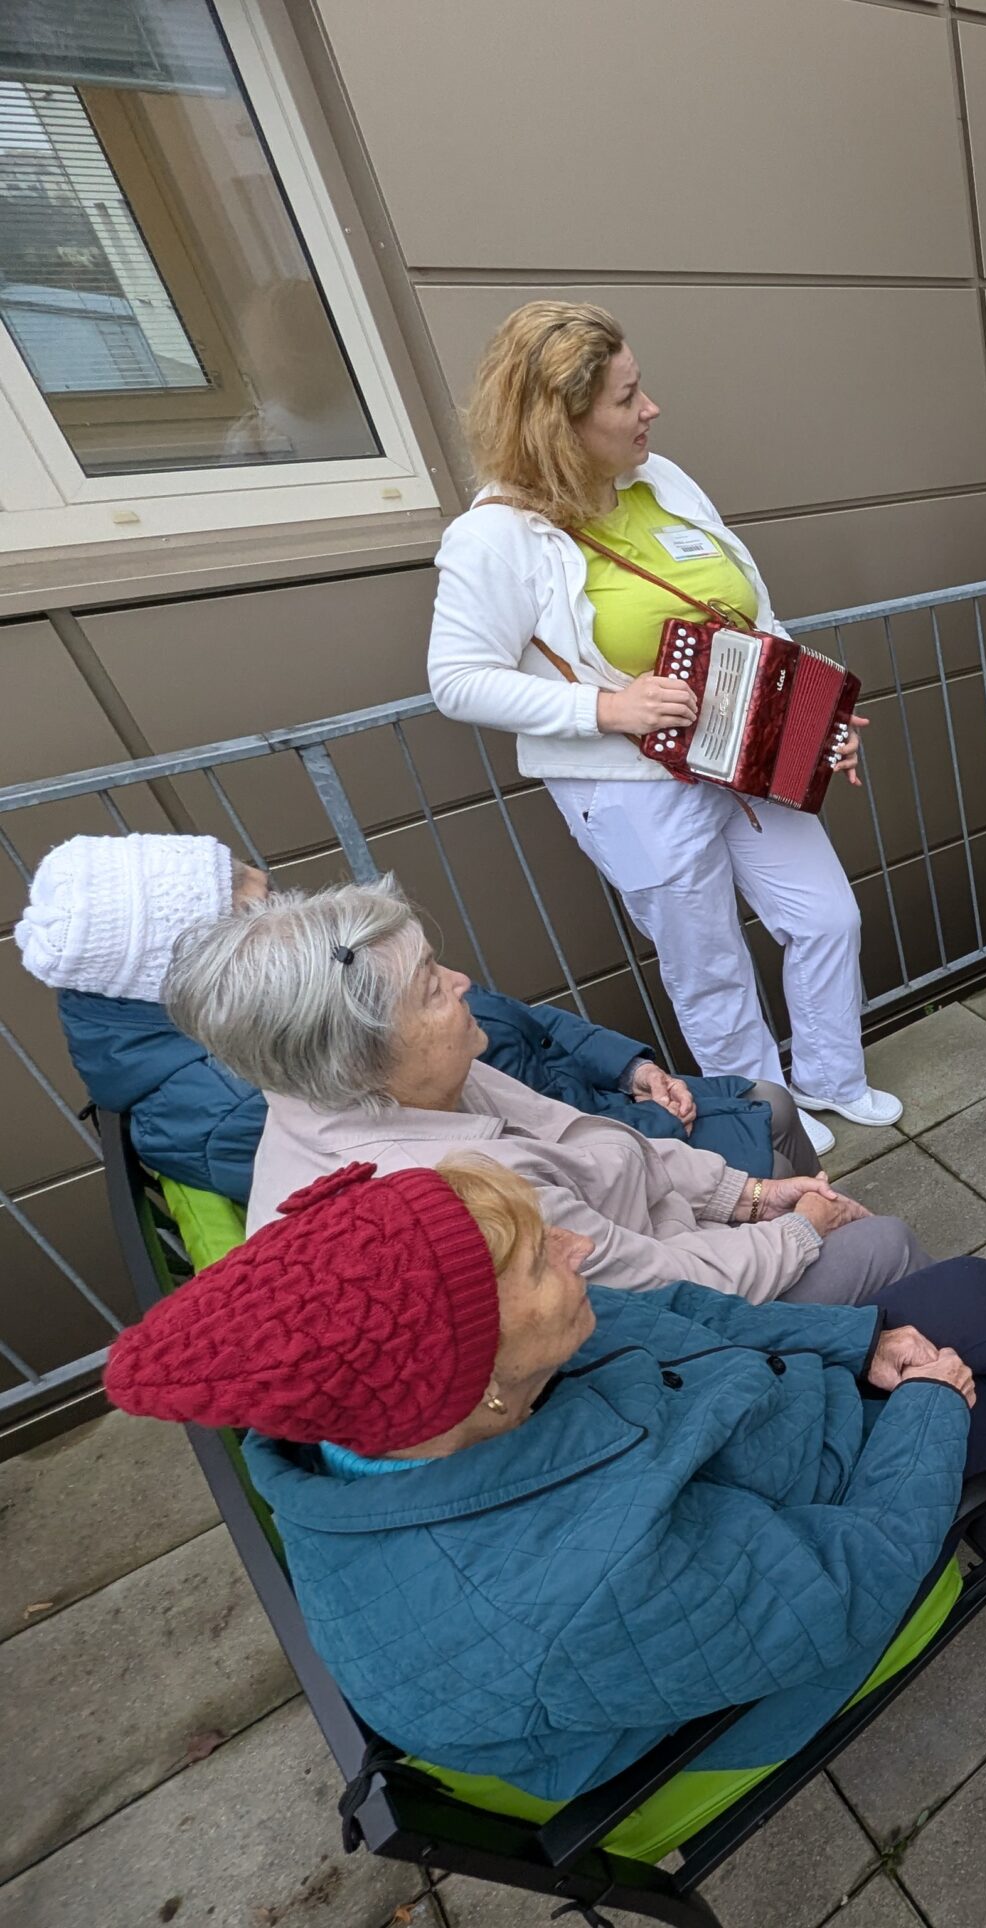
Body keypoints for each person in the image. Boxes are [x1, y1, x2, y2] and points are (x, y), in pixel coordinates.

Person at [101, 1157, 986, 1800]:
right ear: (473, 1379)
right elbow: (839, 1585)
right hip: (770, 1616)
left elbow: (682, 1312)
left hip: (754, 1473)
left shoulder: (432, 1405)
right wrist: (931, 1405)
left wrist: (854, 1343)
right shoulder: (559, 1588)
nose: (574, 1248)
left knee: (967, 1309)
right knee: (981, 1361)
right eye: (536, 1261)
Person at [424, 300, 896, 1159]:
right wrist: (607, 709)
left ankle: (831, 1077)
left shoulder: (662, 479)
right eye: (625, 398)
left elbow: (752, 616)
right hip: (631, 786)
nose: (651, 409)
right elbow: (455, 680)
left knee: (827, 917)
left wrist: (813, 716)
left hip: (744, 758)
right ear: (560, 424)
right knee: (708, 964)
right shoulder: (493, 538)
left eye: (639, 387)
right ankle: (764, 1114)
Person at [164, 880, 916, 1307]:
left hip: (647, 1236)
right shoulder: (446, 1194)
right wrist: (798, 1233)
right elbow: (654, 1289)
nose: (462, 982)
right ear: (359, 1050)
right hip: (646, 1332)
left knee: (780, 1162)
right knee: (884, 1242)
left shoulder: (404, 1078)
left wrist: (745, 1195)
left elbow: (581, 1133)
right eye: (432, 986)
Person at [14, 834, 813, 1201]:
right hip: (579, 1188)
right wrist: (656, 1134)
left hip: (586, 1125)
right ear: (199, 964)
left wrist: (628, 1064)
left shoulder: (307, 998)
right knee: (769, 1120)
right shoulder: (243, 1097)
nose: (289, 911)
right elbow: (494, 1175)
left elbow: (497, 1011)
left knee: (765, 1115)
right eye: (259, 909)